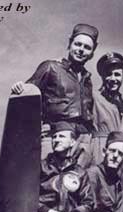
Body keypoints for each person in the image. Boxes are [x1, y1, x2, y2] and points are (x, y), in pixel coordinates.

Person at [10, 23, 98, 165]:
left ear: (92, 52)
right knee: (48, 179)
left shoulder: (87, 79)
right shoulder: (51, 67)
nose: (81, 50)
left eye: (87, 47)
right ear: (70, 44)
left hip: (83, 139)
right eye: (78, 44)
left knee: (77, 182)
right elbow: (28, 95)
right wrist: (20, 88)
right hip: (54, 135)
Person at [91, 51, 123, 184]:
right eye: (109, 74)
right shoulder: (93, 98)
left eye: (117, 74)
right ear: (102, 76)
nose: (113, 78)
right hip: (100, 155)